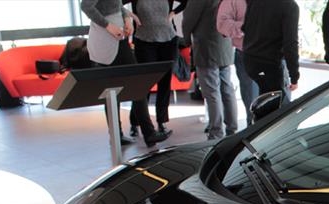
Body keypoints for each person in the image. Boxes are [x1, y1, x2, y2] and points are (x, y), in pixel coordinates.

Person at [80, 0, 171, 147]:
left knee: (137, 84)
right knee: (111, 91)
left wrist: (127, 18)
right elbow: (86, 6)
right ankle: (117, 135)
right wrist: (108, 25)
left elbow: (117, 5)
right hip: (104, 42)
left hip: (120, 39)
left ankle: (149, 133)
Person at [124, 0, 183, 135]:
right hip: (144, 41)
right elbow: (116, 4)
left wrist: (173, 13)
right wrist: (130, 16)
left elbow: (186, 2)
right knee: (144, 84)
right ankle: (135, 122)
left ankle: (162, 122)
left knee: (165, 83)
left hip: (168, 40)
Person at [182, 0, 238, 139]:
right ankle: (232, 128)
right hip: (225, 45)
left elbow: (189, 20)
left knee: (212, 92)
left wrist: (186, 40)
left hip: (207, 47)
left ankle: (216, 132)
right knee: (227, 89)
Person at [242, 0, 299, 96]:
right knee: (275, 100)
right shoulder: (290, 6)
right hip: (268, 64)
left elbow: (244, 27)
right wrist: (294, 77)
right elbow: (290, 44)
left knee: (266, 95)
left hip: (249, 61)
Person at [216, 0, 258, 123]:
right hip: (248, 55)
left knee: (282, 106)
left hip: (277, 55)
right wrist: (247, 27)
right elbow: (222, 23)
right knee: (253, 107)